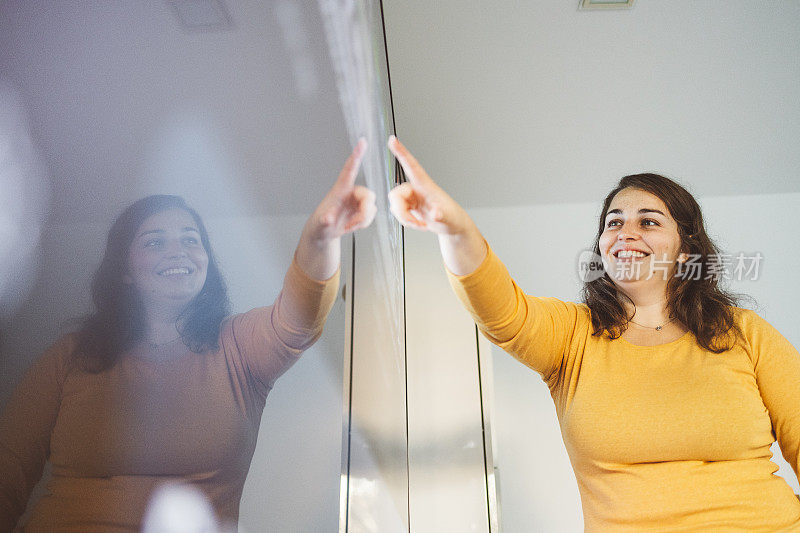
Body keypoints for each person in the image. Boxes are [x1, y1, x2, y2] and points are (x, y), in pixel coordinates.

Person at [386, 135, 800, 530]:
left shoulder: (743, 332)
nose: (626, 233)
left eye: (649, 222)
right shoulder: (573, 335)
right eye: (613, 223)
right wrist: (455, 230)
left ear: (686, 249)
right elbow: (503, 312)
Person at [0, 140, 376, 532]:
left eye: (190, 239)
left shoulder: (237, 347)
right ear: (125, 270)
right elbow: (7, 469)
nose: (177, 251)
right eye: (154, 242)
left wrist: (320, 238)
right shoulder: (72, 355)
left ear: (206, 262)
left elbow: (299, 321)